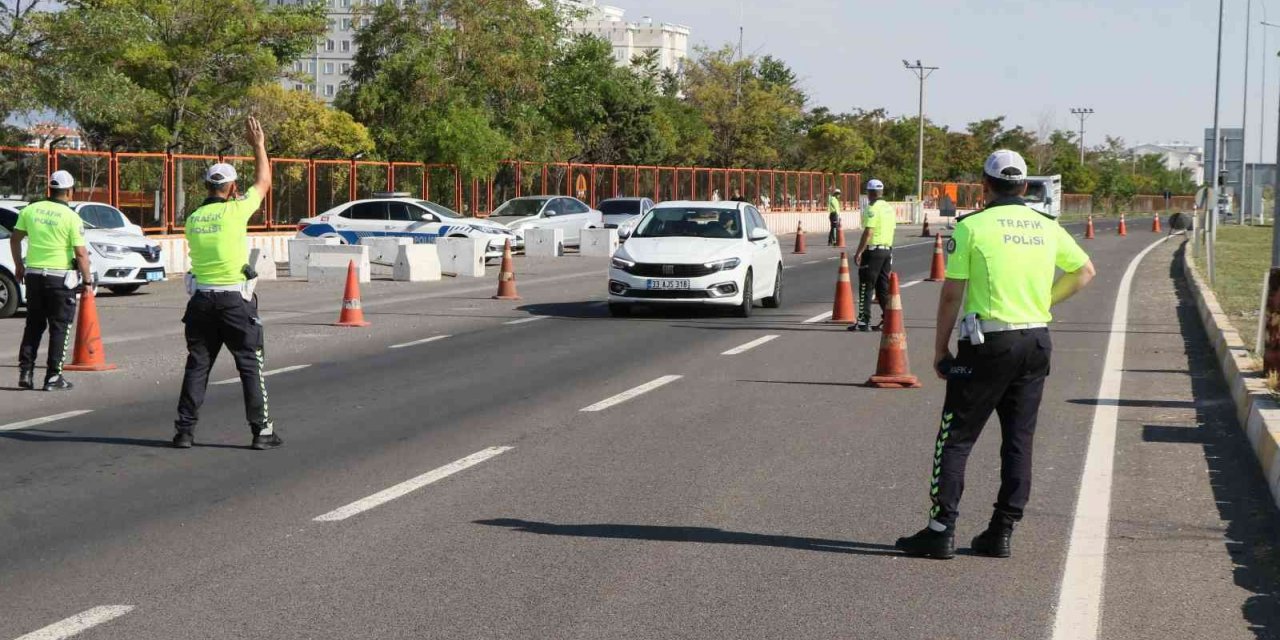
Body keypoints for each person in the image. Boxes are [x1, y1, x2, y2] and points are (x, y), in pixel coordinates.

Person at [895, 150, 1096, 560]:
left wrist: (939, 348)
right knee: (1019, 440)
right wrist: (1045, 303)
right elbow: (1085, 271)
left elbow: (953, 291)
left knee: (956, 437)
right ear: (1024, 186)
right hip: (1035, 340)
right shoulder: (1046, 227)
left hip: (988, 343)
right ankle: (1001, 530)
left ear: (984, 185)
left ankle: (940, 530)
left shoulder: (974, 226)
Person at [172, 117, 281, 450]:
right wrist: (258, 145)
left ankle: (184, 432)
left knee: (198, 365)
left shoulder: (192, 219)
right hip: (235, 301)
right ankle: (261, 432)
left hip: (201, 301)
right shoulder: (235, 211)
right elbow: (263, 182)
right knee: (249, 364)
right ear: (232, 188)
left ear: (206, 186)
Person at [9, 170, 93, 391]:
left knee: (33, 325)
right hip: (60, 279)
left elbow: (15, 239)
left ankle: (25, 372)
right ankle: (53, 377)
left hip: (34, 276)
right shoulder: (71, 217)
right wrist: (87, 282)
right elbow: (81, 253)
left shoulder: (31, 209)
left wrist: (19, 265)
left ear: (50, 189)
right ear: (69, 191)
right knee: (60, 327)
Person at [849, 179, 894, 332]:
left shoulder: (872, 208)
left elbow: (869, 231)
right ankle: (890, 319)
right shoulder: (888, 208)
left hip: (873, 251)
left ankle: (863, 321)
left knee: (865, 286)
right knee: (882, 288)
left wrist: (859, 251)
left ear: (870, 193)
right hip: (887, 250)